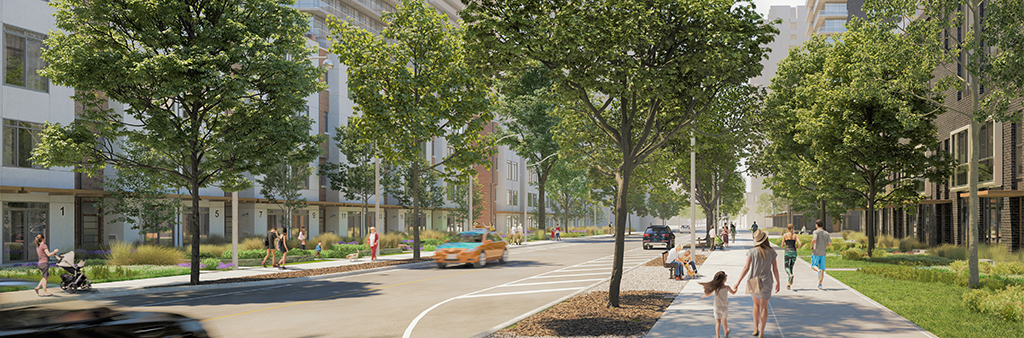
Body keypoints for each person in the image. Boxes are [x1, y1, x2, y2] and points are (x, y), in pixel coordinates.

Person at [734, 230, 780, 338]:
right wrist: (778, 282)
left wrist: (738, 282)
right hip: (767, 281)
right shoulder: (772, 252)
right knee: (764, 307)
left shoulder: (751, 252)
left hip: (753, 281)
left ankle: (755, 329)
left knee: (756, 305)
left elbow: (746, 268)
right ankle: (762, 333)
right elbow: (775, 269)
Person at [700, 271, 738, 338]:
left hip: (717, 308)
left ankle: (718, 336)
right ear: (724, 279)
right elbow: (733, 293)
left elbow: (709, 293)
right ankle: (726, 333)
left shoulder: (716, 288)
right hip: (724, 308)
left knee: (718, 323)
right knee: (724, 321)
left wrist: (704, 295)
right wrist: (736, 289)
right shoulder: (727, 287)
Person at [811, 219, 831, 290]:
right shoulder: (826, 233)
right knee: (822, 268)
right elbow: (829, 243)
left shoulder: (816, 232)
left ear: (816, 225)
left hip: (816, 252)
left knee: (814, 265)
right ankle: (820, 284)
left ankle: (818, 271)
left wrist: (811, 246)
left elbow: (814, 239)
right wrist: (825, 247)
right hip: (823, 253)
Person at [782, 224, 802, 290]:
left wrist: (785, 243)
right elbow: (800, 243)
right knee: (791, 267)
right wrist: (796, 248)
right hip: (794, 252)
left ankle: (790, 275)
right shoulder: (795, 235)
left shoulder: (785, 235)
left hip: (787, 252)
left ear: (787, 229)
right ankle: (788, 284)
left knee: (786, 267)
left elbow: (782, 245)